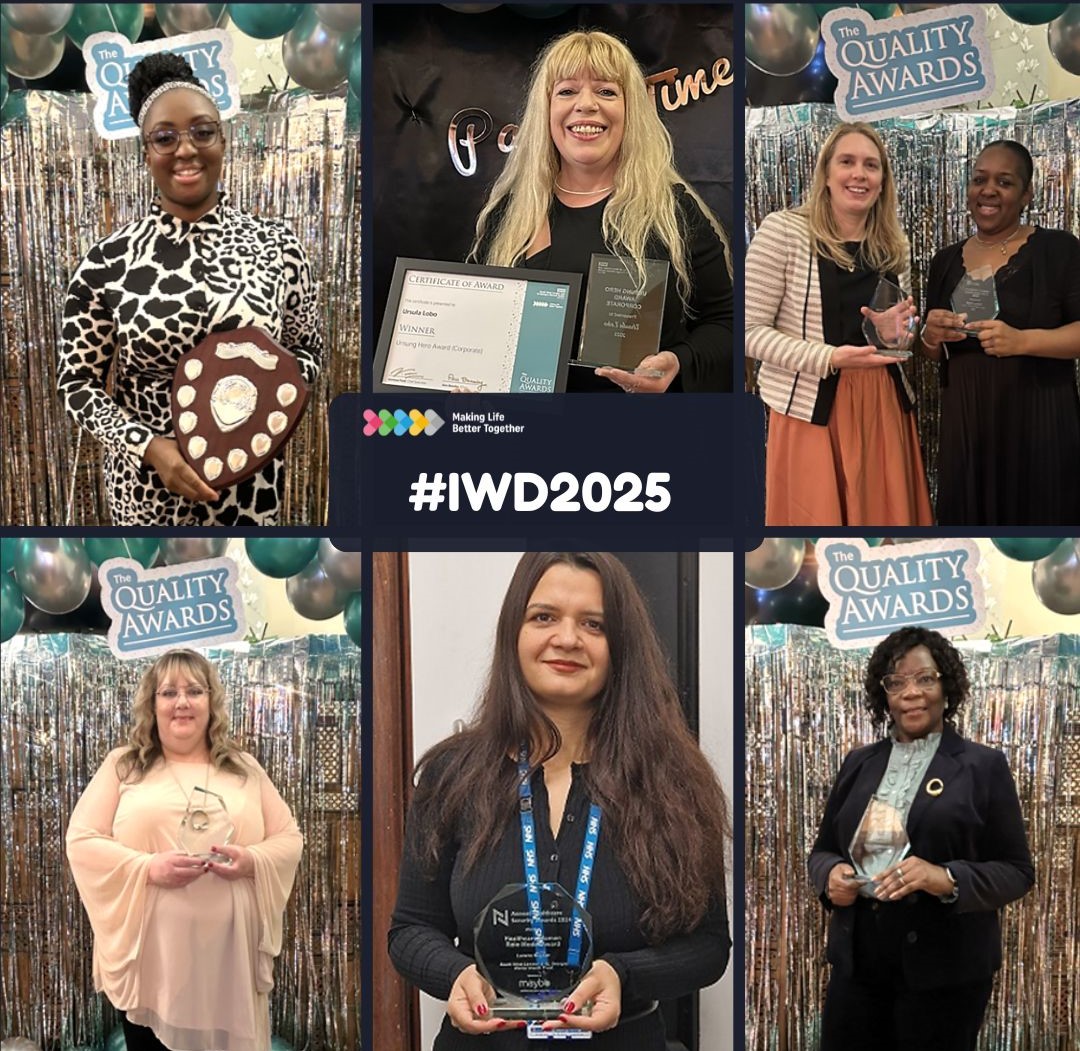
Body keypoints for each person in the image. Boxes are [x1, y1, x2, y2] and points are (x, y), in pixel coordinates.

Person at [388, 552, 731, 1048]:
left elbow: (708, 946)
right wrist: (454, 974)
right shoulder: (451, 775)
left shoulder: (672, 781)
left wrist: (623, 974)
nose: (567, 639)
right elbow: (411, 930)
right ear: (514, 632)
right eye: (543, 616)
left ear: (620, 646)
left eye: (594, 624)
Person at [58, 52, 322, 526]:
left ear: (223, 140)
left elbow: (308, 350)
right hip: (146, 496)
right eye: (165, 138)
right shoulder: (107, 261)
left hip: (250, 490)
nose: (186, 149)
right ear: (145, 151)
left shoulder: (279, 247)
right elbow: (76, 385)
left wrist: (261, 400)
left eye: (202, 131)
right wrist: (148, 446)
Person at [470, 30, 733, 393]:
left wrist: (678, 362)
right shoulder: (507, 215)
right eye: (566, 90)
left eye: (606, 91)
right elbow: (478, 335)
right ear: (545, 109)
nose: (586, 104)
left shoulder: (673, 211)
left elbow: (725, 323)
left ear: (631, 109)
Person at [808, 627, 1034, 1051]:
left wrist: (944, 877)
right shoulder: (859, 764)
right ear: (884, 695)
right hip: (858, 969)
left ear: (946, 686)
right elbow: (822, 850)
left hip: (945, 973)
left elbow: (1017, 871)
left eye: (924, 678)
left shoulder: (982, 766)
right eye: (897, 681)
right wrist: (829, 876)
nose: (911, 692)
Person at [66, 650, 303, 1051]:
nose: (182, 702)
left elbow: (289, 838)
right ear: (152, 703)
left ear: (211, 702)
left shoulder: (244, 768)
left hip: (230, 963)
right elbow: (82, 839)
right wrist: (146, 868)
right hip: (155, 967)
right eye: (168, 692)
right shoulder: (123, 766)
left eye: (195, 690)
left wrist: (251, 861)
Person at [745, 121, 932, 526]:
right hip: (811, 409)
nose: (859, 174)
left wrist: (897, 334)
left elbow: (903, 337)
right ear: (826, 174)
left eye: (871, 165)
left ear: (883, 181)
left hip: (882, 405)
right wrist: (828, 357)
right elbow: (748, 332)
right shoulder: (784, 231)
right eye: (847, 161)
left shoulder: (892, 244)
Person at [918, 138, 1080, 525]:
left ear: (1026, 194)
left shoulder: (1057, 250)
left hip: (1038, 422)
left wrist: (1023, 341)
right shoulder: (944, 261)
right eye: (979, 180)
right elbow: (930, 351)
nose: (987, 190)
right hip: (967, 426)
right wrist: (930, 335)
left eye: (1004, 182)